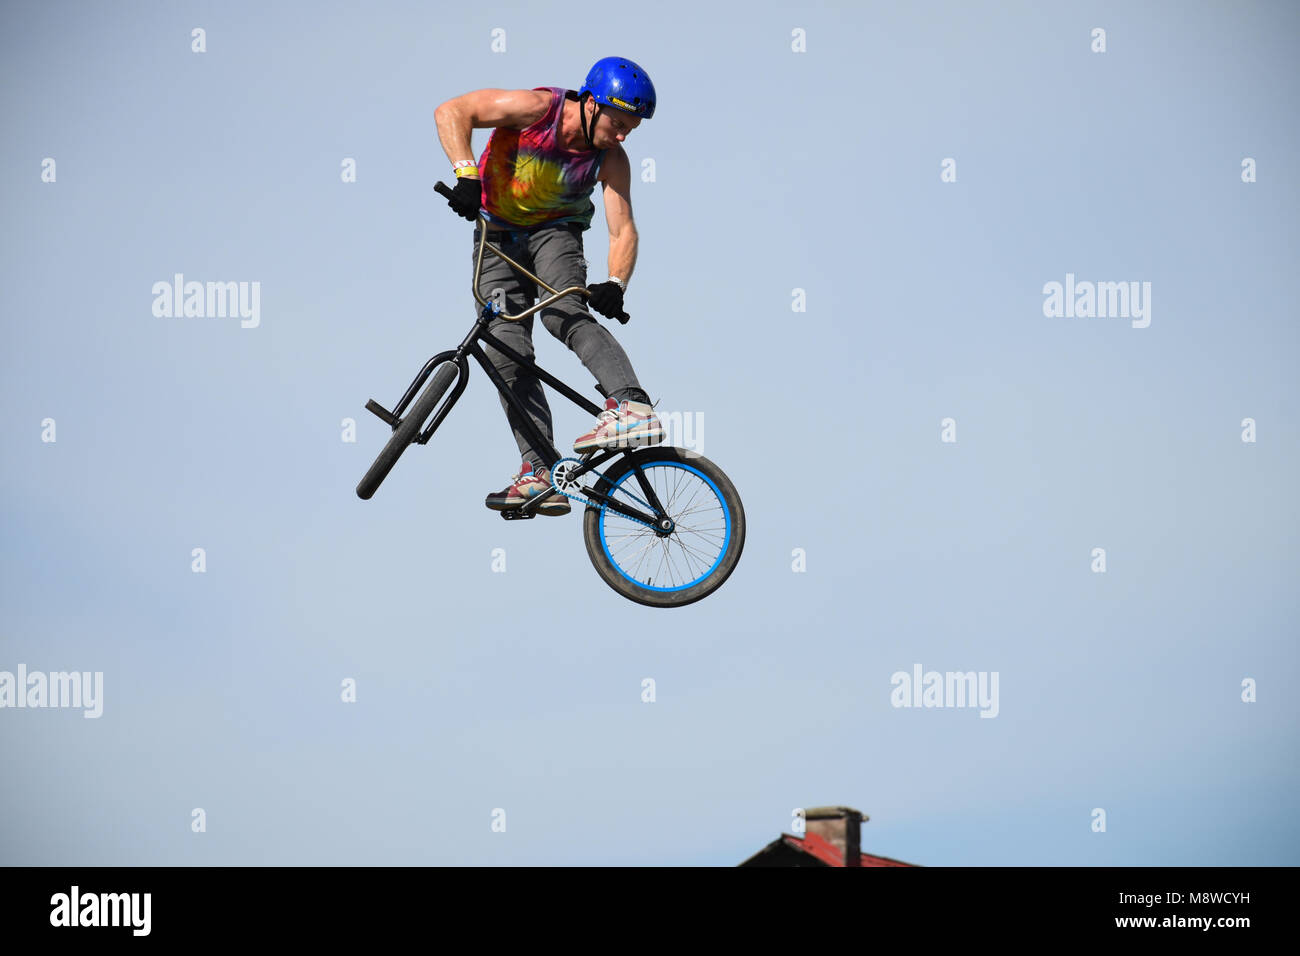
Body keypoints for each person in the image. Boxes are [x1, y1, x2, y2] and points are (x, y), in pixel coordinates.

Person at [434, 57, 663, 517]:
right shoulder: (536, 109)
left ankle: (632, 407)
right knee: (504, 349)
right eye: (618, 124)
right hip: (496, 237)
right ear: (593, 104)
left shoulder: (610, 159)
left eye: (630, 130)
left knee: (564, 314)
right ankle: (539, 470)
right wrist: (465, 174)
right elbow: (452, 111)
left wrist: (615, 283)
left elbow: (623, 229)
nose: (622, 136)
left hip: (555, 234)